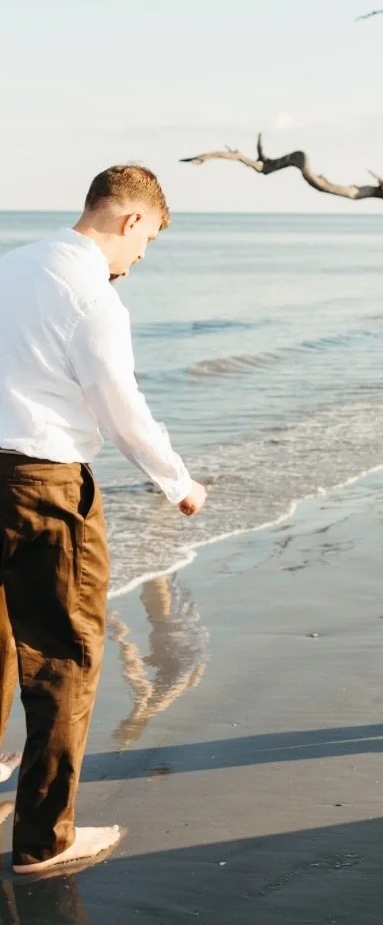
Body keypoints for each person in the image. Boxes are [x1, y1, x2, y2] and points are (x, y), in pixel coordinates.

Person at [0, 166, 207, 874]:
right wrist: (177, 482)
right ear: (130, 219)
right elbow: (120, 407)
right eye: (146, 242)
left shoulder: (12, 266)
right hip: (45, 486)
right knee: (64, 655)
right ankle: (44, 839)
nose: (139, 259)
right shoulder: (92, 296)